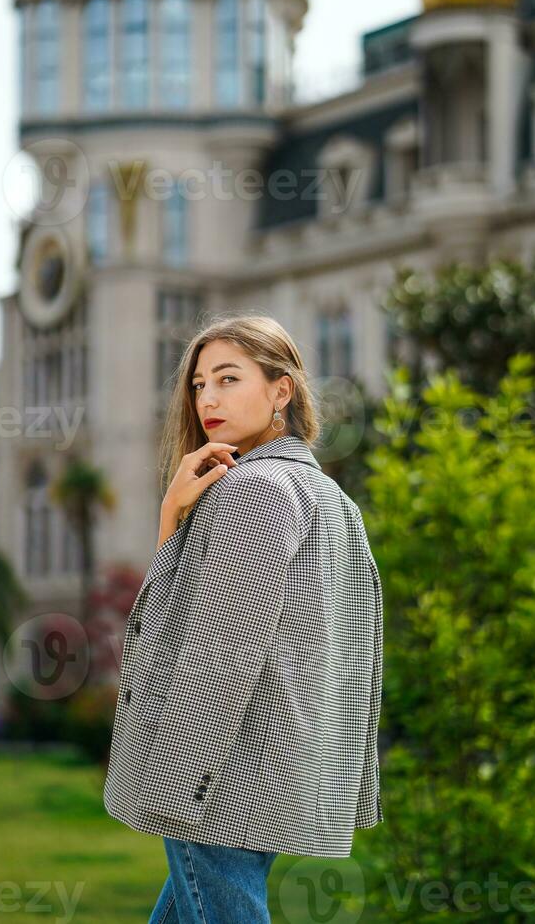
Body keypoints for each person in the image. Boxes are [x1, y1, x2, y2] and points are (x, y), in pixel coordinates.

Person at [103, 314, 384, 923]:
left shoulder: (252, 491)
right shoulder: (331, 501)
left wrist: (173, 777)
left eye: (229, 379)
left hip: (216, 772)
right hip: (274, 769)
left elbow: (213, 651)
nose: (208, 398)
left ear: (281, 389)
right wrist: (176, 519)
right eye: (200, 384)